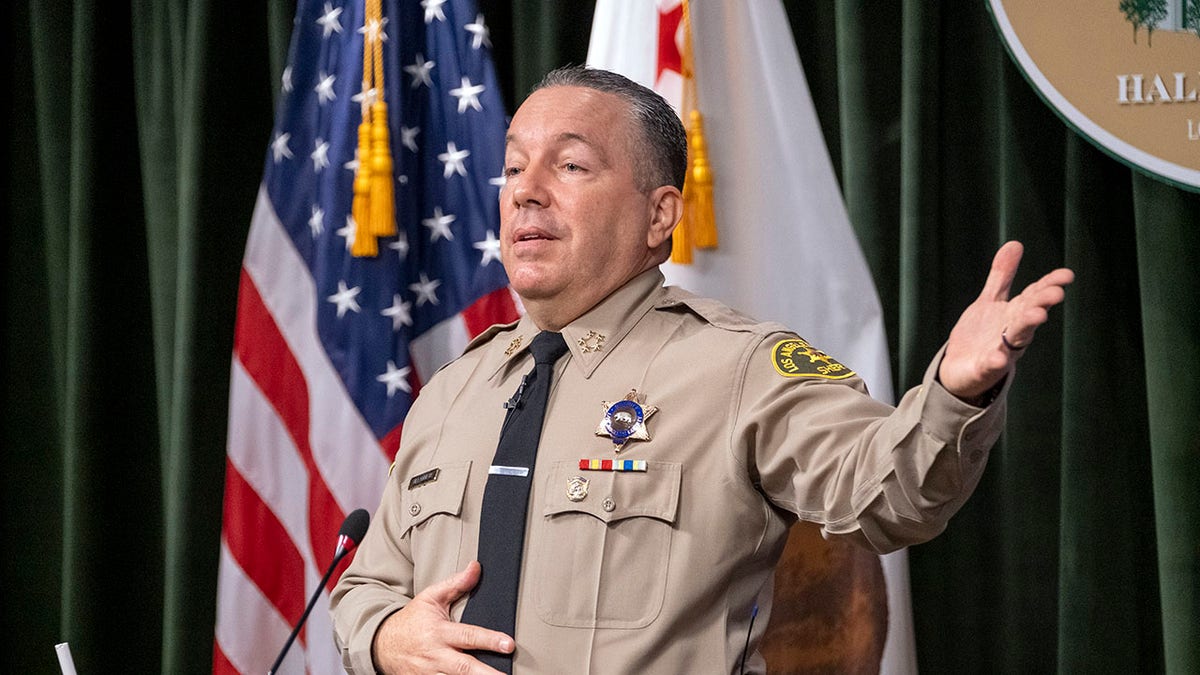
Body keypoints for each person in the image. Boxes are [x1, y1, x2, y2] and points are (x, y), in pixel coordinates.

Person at [330, 65, 1074, 674]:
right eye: (515, 166)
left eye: (571, 164)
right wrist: (389, 634)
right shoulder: (455, 391)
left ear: (660, 216)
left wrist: (954, 391)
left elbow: (891, 493)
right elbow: (367, 585)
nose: (525, 189)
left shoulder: (738, 368)